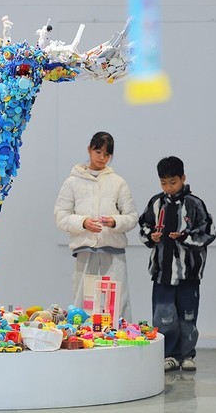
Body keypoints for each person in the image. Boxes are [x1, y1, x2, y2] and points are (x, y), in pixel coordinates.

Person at [138, 156, 216, 373]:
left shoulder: (195, 204)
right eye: (163, 183)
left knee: (188, 316)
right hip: (162, 273)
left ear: (183, 178)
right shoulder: (155, 203)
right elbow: (143, 226)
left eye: (173, 182)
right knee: (163, 316)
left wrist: (185, 237)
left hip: (189, 273)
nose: (168, 187)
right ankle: (169, 355)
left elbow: (209, 232)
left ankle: (187, 355)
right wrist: (151, 236)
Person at [54, 131, 138, 322]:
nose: (102, 158)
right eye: (98, 152)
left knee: (116, 301)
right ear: (89, 149)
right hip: (85, 249)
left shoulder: (118, 182)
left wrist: (115, 222)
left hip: (113, 251)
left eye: (107, 154)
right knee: (84, 301)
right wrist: (83, 222)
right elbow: (60, 215)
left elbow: (132, 217)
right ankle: (81, 336)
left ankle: (121, 337)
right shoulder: (73, 182)